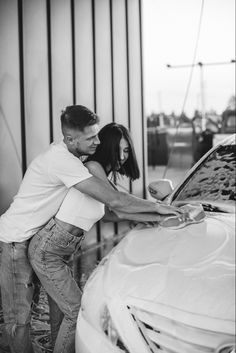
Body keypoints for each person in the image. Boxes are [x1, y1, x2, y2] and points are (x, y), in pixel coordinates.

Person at [0, 106, 181, 353]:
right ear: (70, 139)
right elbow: (116, 203)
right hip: (15, 240)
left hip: (42, 242)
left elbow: (113, 209)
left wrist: (155, 216)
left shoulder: (78, 162)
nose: (97, 141)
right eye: (91, 138)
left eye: (98, 136)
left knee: (57, 314)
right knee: (21, 321)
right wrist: (158, 210)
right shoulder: (70, 162)